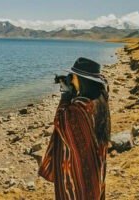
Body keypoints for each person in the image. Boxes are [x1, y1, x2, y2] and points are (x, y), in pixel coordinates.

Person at [39, 57, 111, 200]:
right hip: (95, 165)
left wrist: (66, 96)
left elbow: (61, 121)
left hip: (77, 171)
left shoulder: (78, 108)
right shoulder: (99, 100)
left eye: (74, 77)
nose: (71, 80)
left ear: (82, 80)